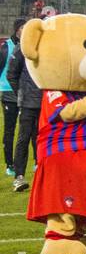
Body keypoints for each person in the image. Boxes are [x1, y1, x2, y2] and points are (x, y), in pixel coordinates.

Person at [5, 20, 39, 192]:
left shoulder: (47, 49)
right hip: (27, 103)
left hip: (46, 103)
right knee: (23, 139)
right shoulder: (22, 50)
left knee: (44, 139)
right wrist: (20, 92)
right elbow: (11, 74)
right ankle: (19, 177)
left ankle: (44, 176)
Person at [1, 19, 21, 180]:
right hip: (8, 93)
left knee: (28, 130)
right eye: (22, 28)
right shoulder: (6, 47)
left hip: (23, 93)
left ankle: (35, 161)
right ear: (16, 30)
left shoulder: (27, 45)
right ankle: (9, 164)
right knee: (10, 129)